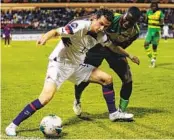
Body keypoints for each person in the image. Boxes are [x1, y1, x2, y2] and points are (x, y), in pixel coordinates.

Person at [5, 9, 138, 137]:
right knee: (45, 98)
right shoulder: (80, 26)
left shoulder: (101, 35)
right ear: (94, 18)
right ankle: (13, 125)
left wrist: (130, 55)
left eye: (106, 26)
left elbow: (113, 47)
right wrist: (45, 36)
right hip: (59, 65)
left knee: (107, 79)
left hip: (77, 66)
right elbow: (57, 32)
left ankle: (113, 113)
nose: (102, 28)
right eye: (101, 23)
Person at [72, 7, 141, 119]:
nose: (126, 23)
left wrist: (126, 55)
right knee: (84, 78)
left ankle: (121, 111)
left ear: (135, 23)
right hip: (97, 48)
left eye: (131, 22)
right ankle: (77, 100)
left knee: (127, 79)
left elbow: (122, 45)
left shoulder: (135, 32)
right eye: (126, 19)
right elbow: (91, 21)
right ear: (124, 14)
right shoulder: (112, 18)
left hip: (115, 50)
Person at [144, 2, 165, 68]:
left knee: (154, 47)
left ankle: (153, 61)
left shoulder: (160, 13)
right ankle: (151, 58)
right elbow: (145, 21)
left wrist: (160, 29)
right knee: (146, 45)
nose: (154, 7)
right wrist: (146, 16)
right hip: (150, 31)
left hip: (156, 31)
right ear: (151, 6)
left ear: (157, 6)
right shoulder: (148, 12)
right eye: (152, 6)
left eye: (155, 6)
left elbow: (162, 23)